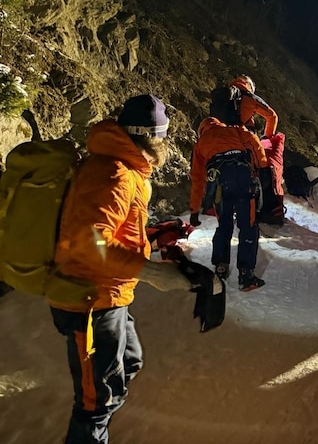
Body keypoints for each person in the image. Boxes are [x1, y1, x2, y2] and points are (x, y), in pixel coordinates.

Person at [49, 94, 193, 444]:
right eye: (162, 135)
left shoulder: (124, 168)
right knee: (94, 403)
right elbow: (90, 240)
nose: (165, 143)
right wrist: (152, 273)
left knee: (127, 365)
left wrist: (153, 242)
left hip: (111, 295)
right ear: (149, 136)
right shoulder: (114, 172)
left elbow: (115, 230)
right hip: (90, 301)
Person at [189, 115, 268, 291]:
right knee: (248, 226)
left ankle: (220, 266)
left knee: (224, 226)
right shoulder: (235, 130)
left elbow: (197, 179)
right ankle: (246, 276)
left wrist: (194, 210)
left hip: (219, 187)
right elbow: (256, 145)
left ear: (201, 131)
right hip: (243, 182)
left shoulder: (201, 144)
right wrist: (262, 167)